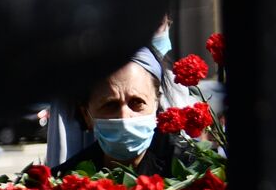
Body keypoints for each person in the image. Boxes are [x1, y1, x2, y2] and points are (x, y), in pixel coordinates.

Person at [54, 47, 185, 176]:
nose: (124, 117)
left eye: (137, 102)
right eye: (110, 105)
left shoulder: (192, 170)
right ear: (86, 115)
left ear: (156, 104)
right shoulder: (66, 183)